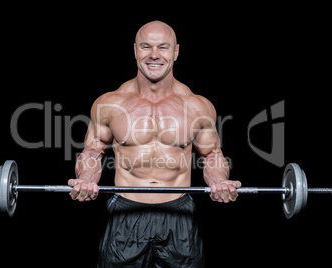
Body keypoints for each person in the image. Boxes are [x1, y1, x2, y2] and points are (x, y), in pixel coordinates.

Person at [68, 20, 241, 267]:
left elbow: (212, 155)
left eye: (163, 47)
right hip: (126, 214)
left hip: (178, 214)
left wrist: (219, 181)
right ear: (135, 50)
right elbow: (93, 152)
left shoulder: (197, 106)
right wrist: (86, 178)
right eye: (146, 46)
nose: (154, 55)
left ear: (176, 52)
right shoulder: (110, 103)